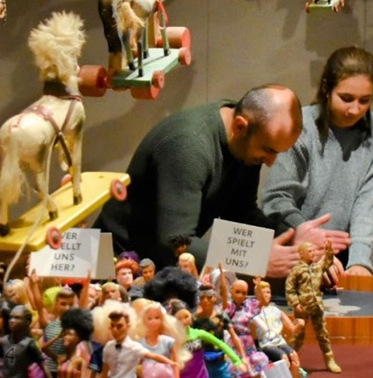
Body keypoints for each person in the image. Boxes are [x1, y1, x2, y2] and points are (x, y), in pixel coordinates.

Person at [95, 84, 335, 278]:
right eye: (268, 151)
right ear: (240, 127)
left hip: (156, 267)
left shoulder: (244, 139)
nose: (271, 162)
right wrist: (256, 260)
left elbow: (240, 213)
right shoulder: (189, 146)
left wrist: (293, 239)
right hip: (114, 267)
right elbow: (174, 243)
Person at [262, 46, 373, 281]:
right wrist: (313, 245)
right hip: (294, 250)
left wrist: (359, 260)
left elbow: (367, 201)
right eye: (346, 98)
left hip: (339, 256)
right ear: (327, 88)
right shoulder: (302, 125)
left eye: (365, 100)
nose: (355, 109)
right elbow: (276, 199)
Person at [286, 241, 341, 373]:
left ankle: (329, 359)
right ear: (301, 254)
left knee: (323, 334)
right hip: (303, 308)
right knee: (298, 336)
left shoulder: (317, 267)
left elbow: (328, 262)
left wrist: (329, 250)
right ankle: (289, 359)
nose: (312, 253)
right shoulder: (296, 270)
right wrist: (296, 304)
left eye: (313, 251)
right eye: (309, 251)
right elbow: (290, 289)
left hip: (317, 307)